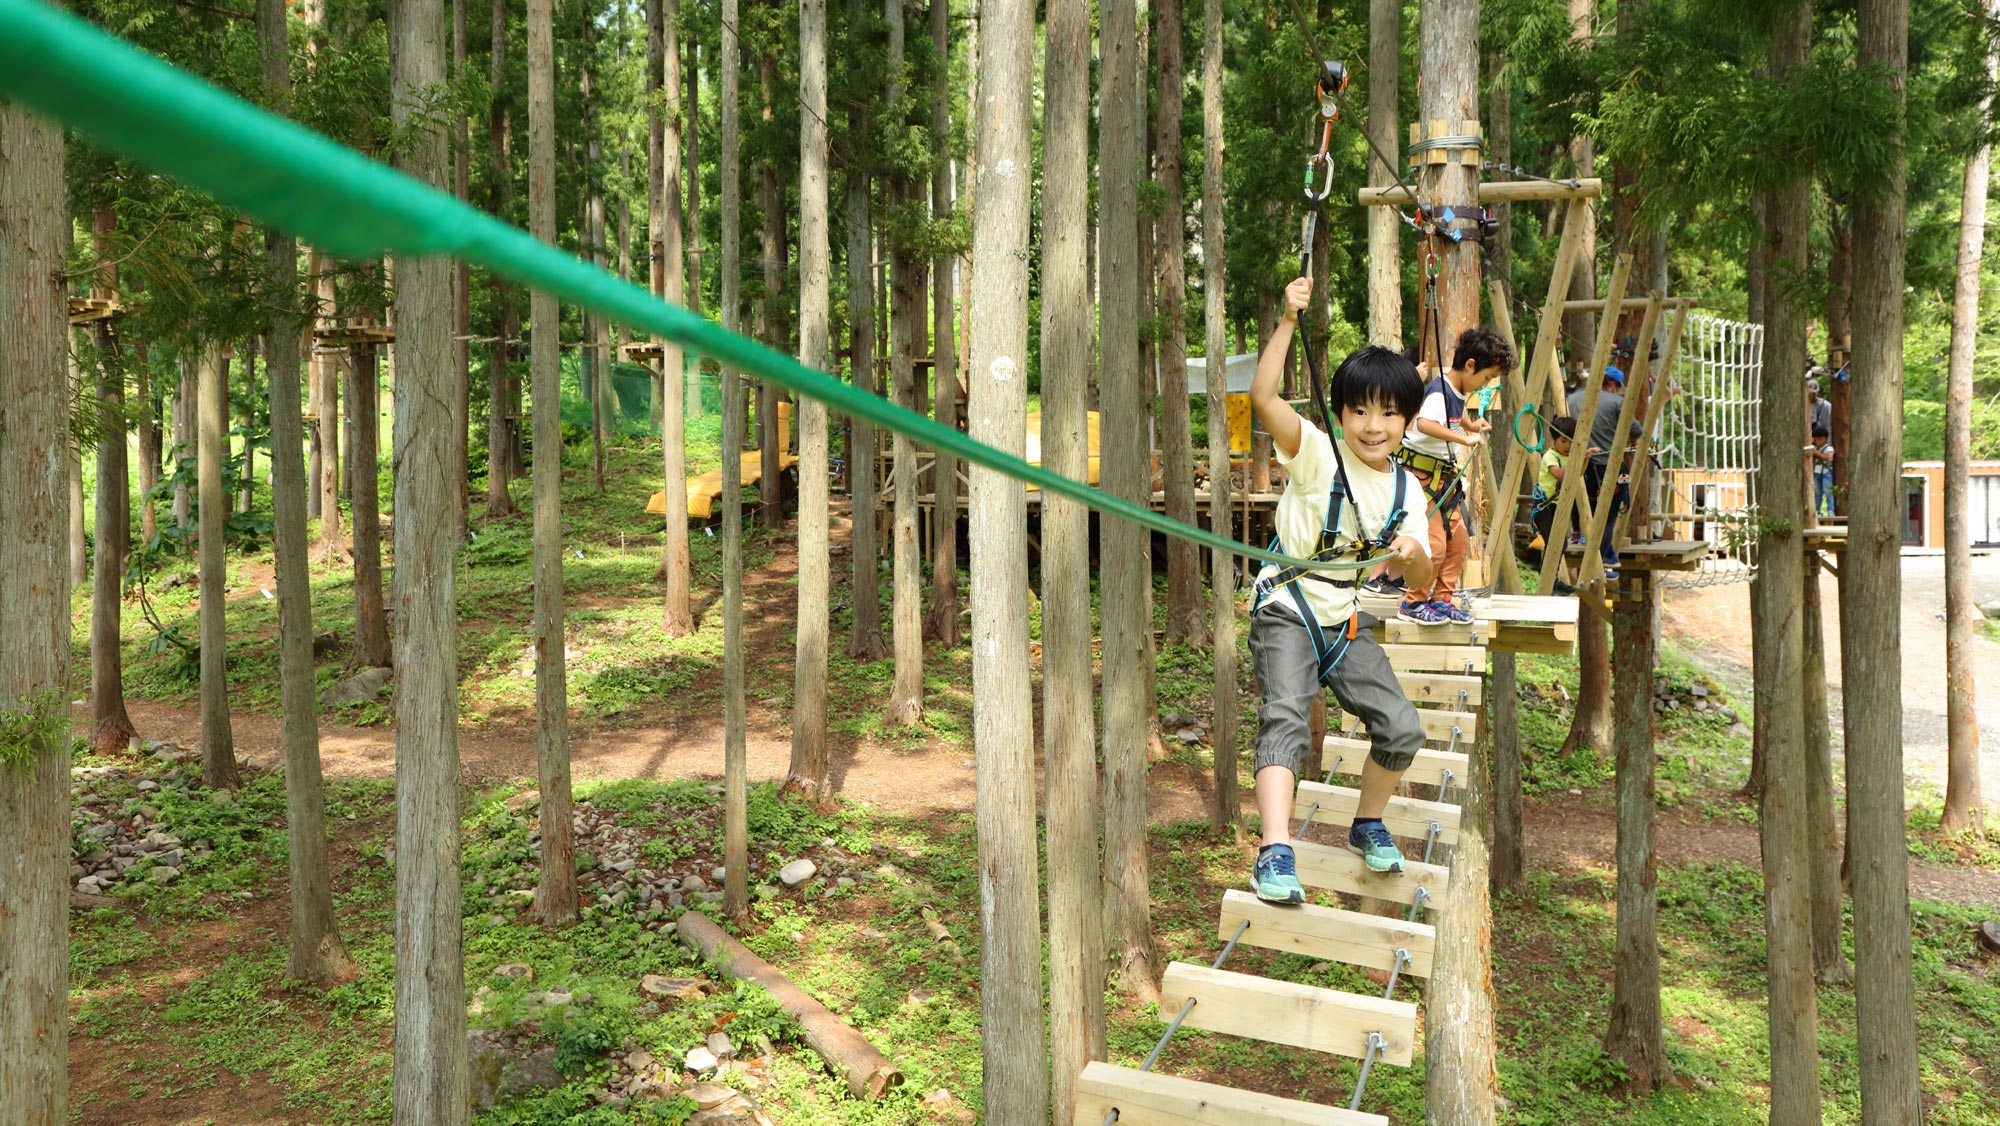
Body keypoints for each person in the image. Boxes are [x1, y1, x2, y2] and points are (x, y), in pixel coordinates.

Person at [1245, 275, 1433, 902]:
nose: (1372, 425)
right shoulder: (1317, 454)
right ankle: (1274, 852)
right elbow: (1262, 396)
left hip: (1342, 621)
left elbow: (1425, 582)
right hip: (1288, 607)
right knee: (1286, 722)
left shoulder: (1410, 493)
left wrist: (1409, 557)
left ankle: (1367, 823)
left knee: (1402, 728)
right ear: (1343, 413)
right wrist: (1288, 323)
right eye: (1359, 410)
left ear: (1408, 419)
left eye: (1388, 412)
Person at [1393, 328, 1515, 625]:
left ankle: (1441, 598)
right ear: (1470, 365)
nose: (1484, 384)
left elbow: (1453, 416)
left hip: (1442, 482)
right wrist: (1464, 440)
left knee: (1458, 543)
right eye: (1486, 377)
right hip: (1421, 480)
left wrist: (1470, 426)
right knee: (1433, 544)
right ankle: (1414, 602)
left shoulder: (1456, 392)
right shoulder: (1439, 389)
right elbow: (1425, 424)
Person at [1565, 365, 1642, 577]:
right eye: (1616, 387)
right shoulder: (1617, 402)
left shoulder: (1572, 400)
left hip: (1579, 464)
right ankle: (1600, 561)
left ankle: (1578, 534)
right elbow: (1637, 432)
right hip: (1607, 465)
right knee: (1608, 514)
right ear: (1611, 384)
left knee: (1580, 501)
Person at [1811, 422, 1835, 515]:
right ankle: (1817, 510)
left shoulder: (1828, 448)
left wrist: (1816, 453)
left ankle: (1830, 510)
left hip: (1826, 473)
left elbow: (1828, 458)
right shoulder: (1816, 448)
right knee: (1818, 492)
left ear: (1823, 439)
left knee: (1827, 490)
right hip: (1817, 472)